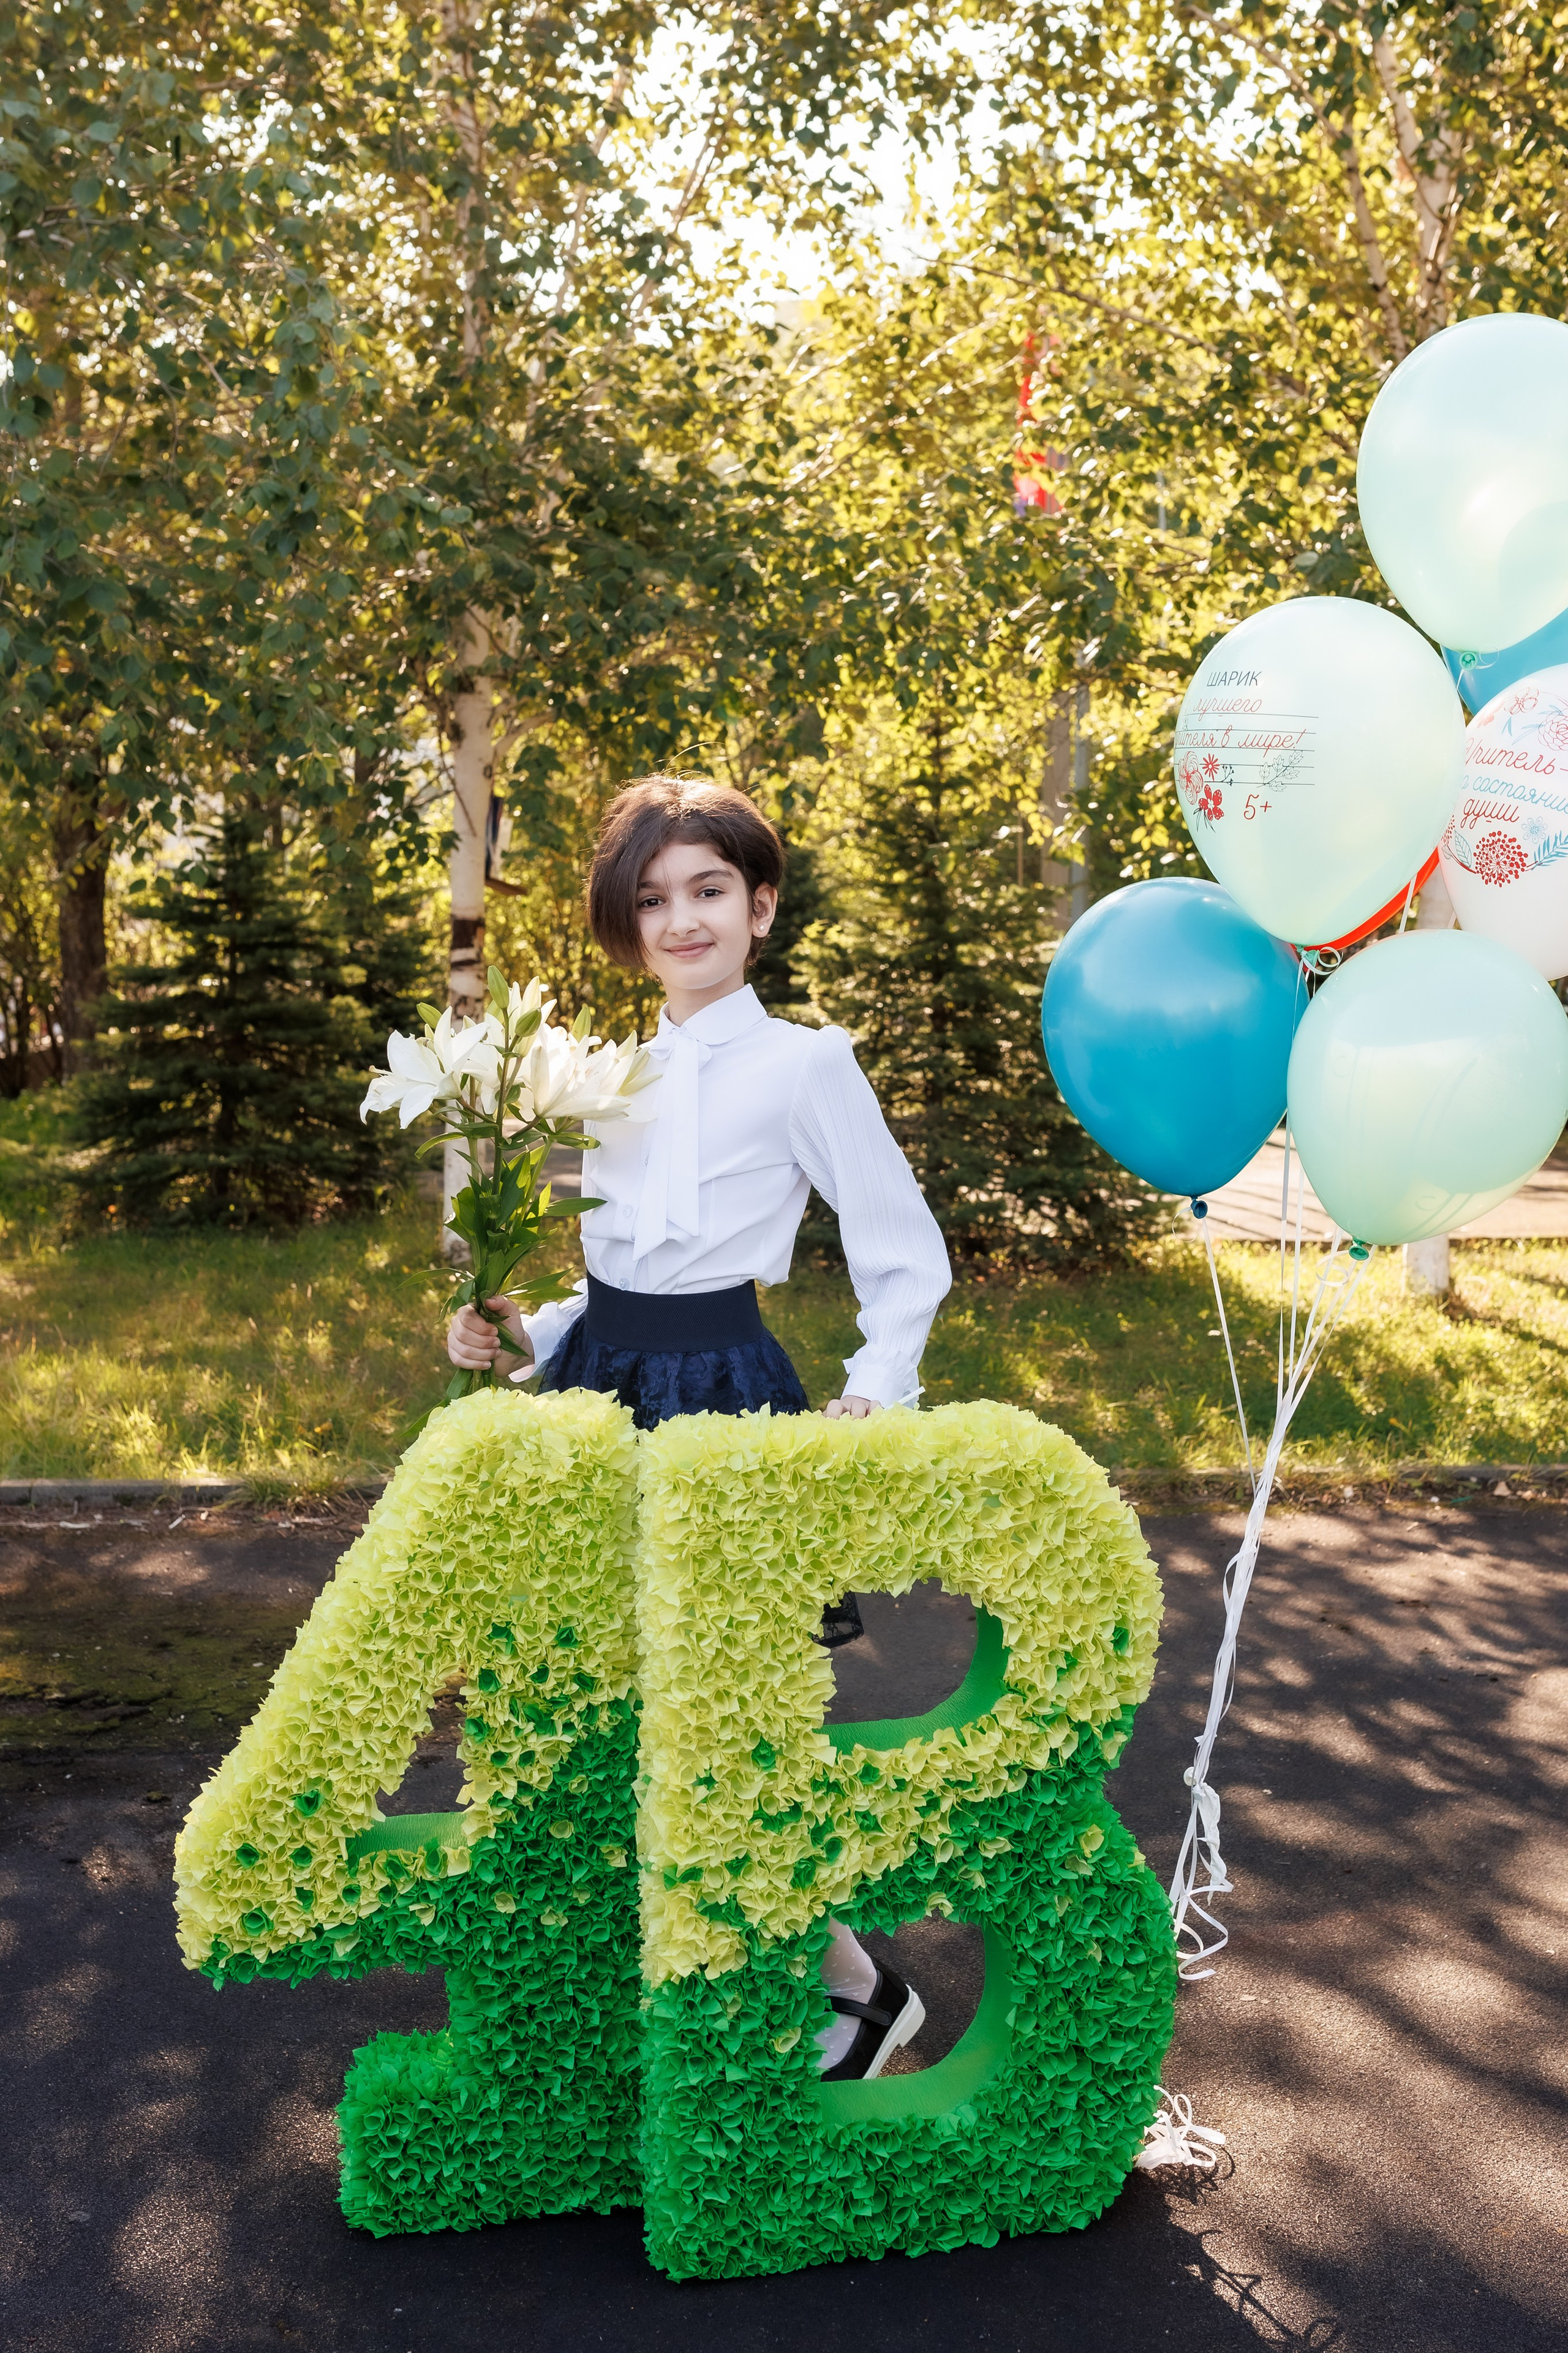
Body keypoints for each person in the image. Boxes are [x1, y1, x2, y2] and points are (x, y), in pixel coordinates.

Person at [447, 774, 951, 2082]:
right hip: (601, 1383)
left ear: (760, 905)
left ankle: (858, 1984)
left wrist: (872, 1390)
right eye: (654, 899)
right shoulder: (609, 1072)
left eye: (708, 892)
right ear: (628, 922)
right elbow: (616, 1267)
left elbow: (902, 1252)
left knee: (725, 1716)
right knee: (607, 1704)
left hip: (724, 1404)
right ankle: (694, 1972)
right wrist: (522, 1333)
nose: (681, 920)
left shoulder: (806, 1061)